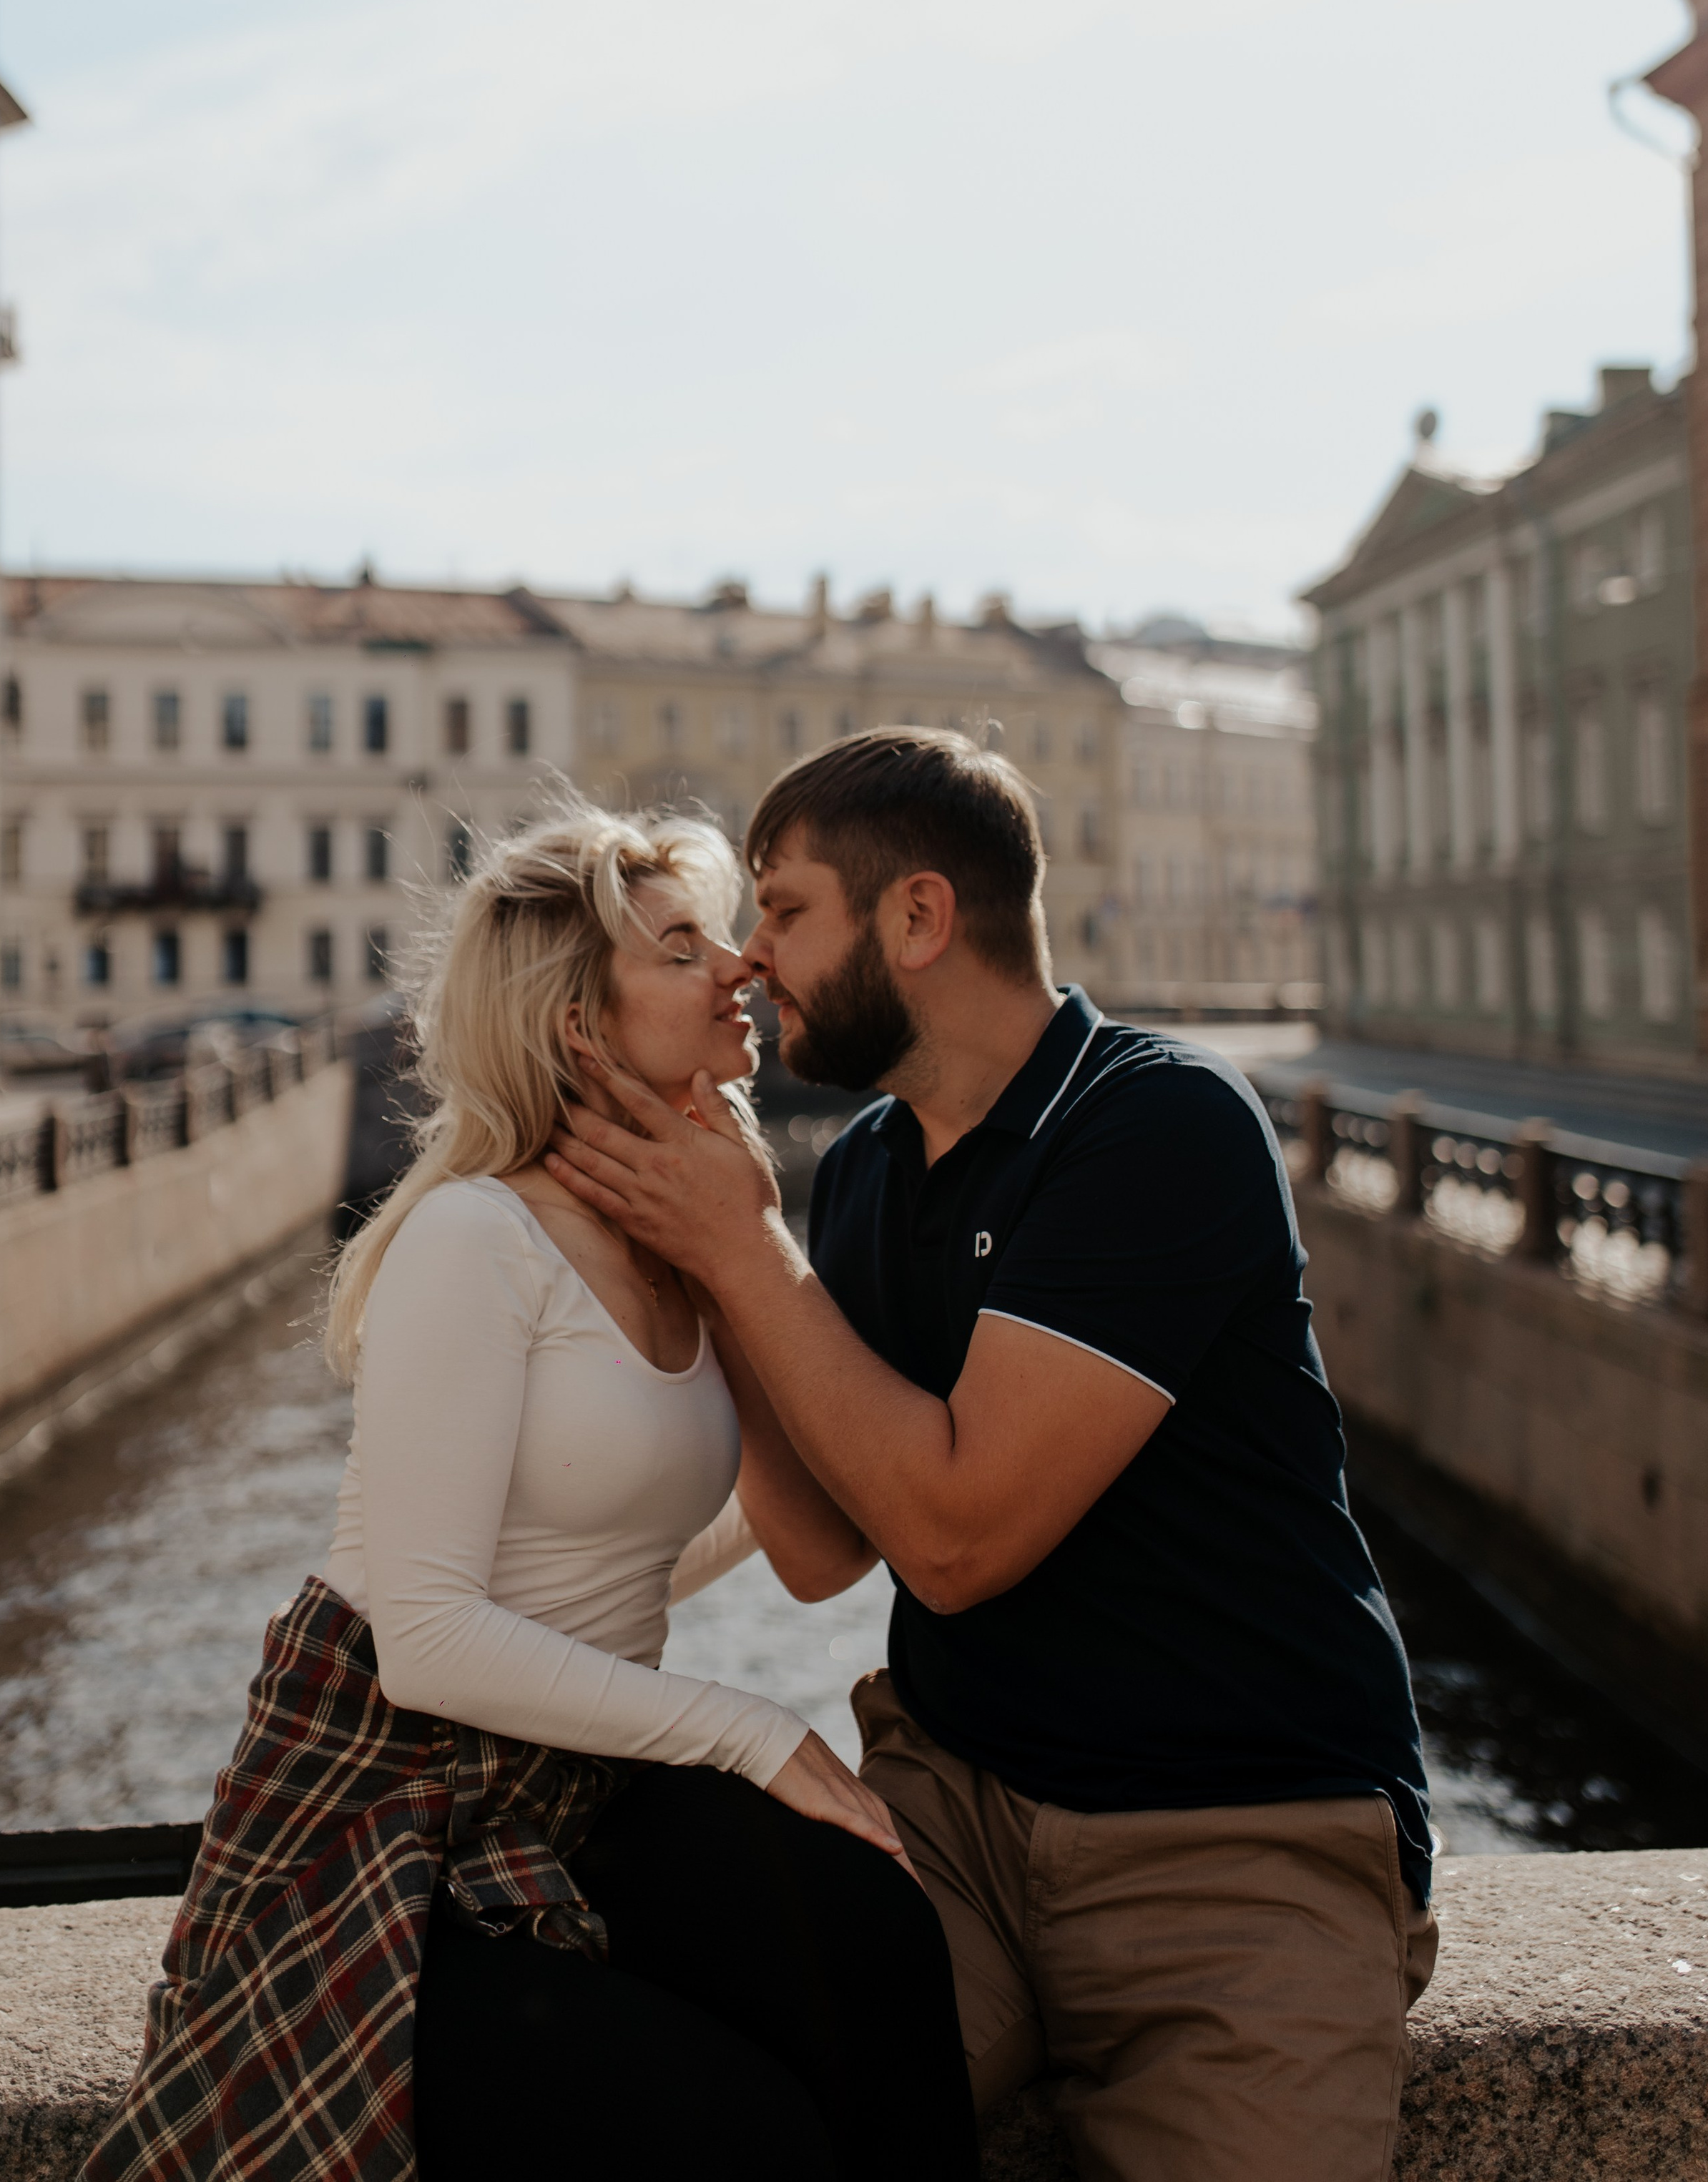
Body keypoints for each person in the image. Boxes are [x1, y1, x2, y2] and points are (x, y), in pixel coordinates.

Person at [546, 727, 1438, 2182]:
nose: (751, 957)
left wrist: (736, 1240)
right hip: (955, 1813)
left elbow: (955, 1543)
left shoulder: (1156, 1122)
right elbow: (828, 1547)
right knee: (666, 2094)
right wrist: (717, 1270)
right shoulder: (871, 1170)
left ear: (914, 917)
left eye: (782, 908)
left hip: (1237, 1847)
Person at [82, 805, 977, 2182]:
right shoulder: (474, 1235)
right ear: (576, 1021)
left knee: (873, 1931)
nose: (739, 963)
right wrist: (746, 1729)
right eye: (684, 946)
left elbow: (719, 1548)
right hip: (384, 1802)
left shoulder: (694, 1234)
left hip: (577, 1780)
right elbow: (430, 1637)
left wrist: (757, 1262)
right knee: (737, 2136)